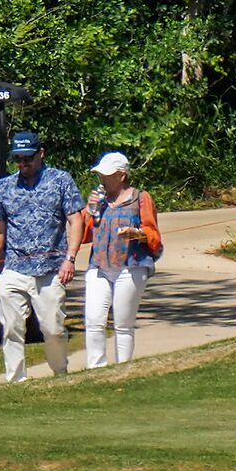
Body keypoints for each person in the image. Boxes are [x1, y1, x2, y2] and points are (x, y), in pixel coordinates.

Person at [0, 132, 83, 382]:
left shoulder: (60, 180)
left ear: (41, 153)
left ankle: (60, 373)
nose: (22, 163)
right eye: (18, 158)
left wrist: (70, 258)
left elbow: (75, 219)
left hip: (50, 269)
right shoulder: (5, 186)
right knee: (11, 328)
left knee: (53, 329)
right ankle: (16, 380)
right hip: (15, 267)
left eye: (27, 158)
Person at [70, 152, 163, 368]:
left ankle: (123, 368)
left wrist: (137, 234)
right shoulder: (100, 201)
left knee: (123, 323)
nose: (102, 178)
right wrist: (90, 210)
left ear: (122, 176)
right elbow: (85, 235)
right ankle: (96, 368)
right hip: (99, 266)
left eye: (107, 174)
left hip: (131, 266)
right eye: (101, 174)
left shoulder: (140, 198)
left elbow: (154, 235)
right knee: (93, 320)